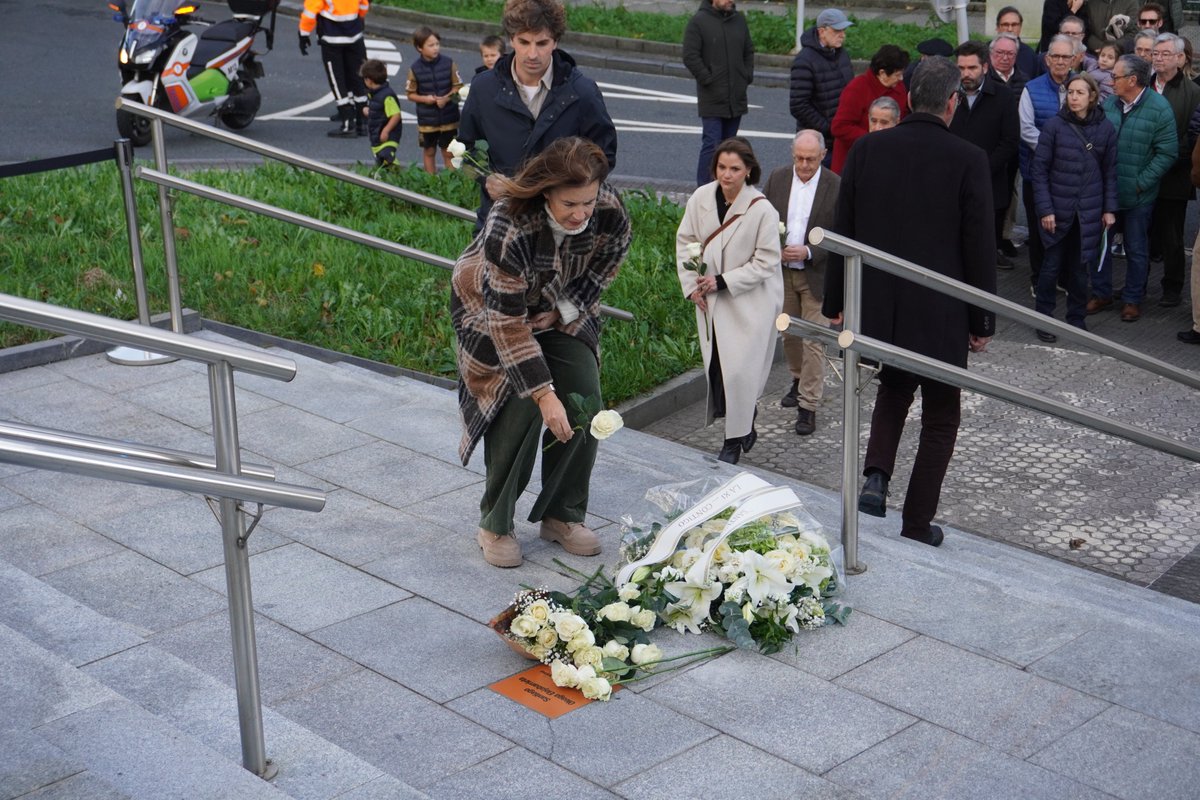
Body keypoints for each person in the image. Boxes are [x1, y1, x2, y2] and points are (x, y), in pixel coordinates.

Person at [822, 56, 997, 547]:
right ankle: (917, 521)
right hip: (943, 309)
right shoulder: (969, 158)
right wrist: (982, 318)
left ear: (908, 99)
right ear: (952, 103)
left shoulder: (868, 150)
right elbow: (978, 243)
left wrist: (837, 301)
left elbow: (844, 232)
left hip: (881, 304)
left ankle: (875, 479)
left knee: (894, 389)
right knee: (942, 412)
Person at [451, 137, 631, 568]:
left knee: (585, 396)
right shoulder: (508, 224)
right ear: (546, 191)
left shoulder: (607, 208)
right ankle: (495, 522)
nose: (581, 213)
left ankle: (561, 514)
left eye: (588, 201)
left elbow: (609, 261)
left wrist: (562, 311)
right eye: (570, 203)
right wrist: (543, 395)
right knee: (518, 402)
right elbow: (509, 325)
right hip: (492, 310)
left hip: (560, 303)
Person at [457, 0, 617, 230]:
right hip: (500, 222)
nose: (532, 54)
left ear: (556, 42)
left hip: (561, 228)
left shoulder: (583, 93)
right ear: (511, 39)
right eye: (524, 42)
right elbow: (464, 149)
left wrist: (567, 189)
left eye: (542, 43)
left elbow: (604, 156)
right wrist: (486, 178)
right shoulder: (483, 88)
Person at [676, 137, 782, 464]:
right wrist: (691, 285)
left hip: (751, 302)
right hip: (711, 299)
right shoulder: (701, 197)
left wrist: (722, 281)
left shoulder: (761, 209)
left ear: (748, 170)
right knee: (720, 368)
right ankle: (744, 421)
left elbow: (766, 261)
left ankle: (733, 441)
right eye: (722, 167)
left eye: (735, 168)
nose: (727, 174)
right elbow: (685, 242)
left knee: (740, 372)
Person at [1030, 73, 1119, 339]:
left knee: (1080, 271)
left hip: (1088, 212)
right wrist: (1045, 209)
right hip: (1057, 211)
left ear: (1092, 96)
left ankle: (1076, 319)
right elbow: (1039, 170)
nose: (1074, 97)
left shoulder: (1105, 128)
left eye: (1080, 93)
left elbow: (1110, 172)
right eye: (1070, 92)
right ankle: (1043, 320)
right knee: (1050, 268)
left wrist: (1109, 209)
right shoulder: (1054, 126)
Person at [763, 130, 840, 436]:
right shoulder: (778, 178)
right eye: (799, 158)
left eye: (810, 159)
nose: (804, 165)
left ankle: (808, 406)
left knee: (814, 341)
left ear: (823, 155)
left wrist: (810, 251)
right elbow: (765, 219)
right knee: (789, 335)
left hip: (816, 275)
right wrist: (774, 247)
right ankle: (797, 379)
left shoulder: (835, 185)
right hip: (782, 273)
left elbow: (840, 235)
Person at [1090, 54, 1177, 320]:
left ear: (1132, 80)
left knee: (1137, 249)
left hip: (1139, 197)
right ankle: (1102, 292)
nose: (1111, 80)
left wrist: (1141, 184)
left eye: (1115, 76)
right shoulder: (1111, 105)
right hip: (1108, 194)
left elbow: (1167, 153)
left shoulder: (1159, 108)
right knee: (1099, 245)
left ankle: (1132, 299)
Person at [950, 40, 1019, 272]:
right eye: (961, 68)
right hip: (952, 180)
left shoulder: (1004, 97)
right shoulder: (947, 95)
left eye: (972, 68)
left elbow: (1010, 142)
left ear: (985, 68)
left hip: (989, 181)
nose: (966, 74)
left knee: (984, 246)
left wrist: (982, 169)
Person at [1020, 35, 1077, 293]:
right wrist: (1055, 148)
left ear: (1074, 59)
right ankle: (1038, 281)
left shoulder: (1082, 86)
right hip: (1038, 173)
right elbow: (1026, 129)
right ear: (1047, 59)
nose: (1061, 61)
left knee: (1066, 229)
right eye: (1056, 56)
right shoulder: (1031, 88)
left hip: (1069, 177)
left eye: (1066, 56)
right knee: (1038, 229)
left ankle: (1063, 279)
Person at [1148, 33, 1200, 308]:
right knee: (1141, 234)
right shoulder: (1144, 86)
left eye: (1165, 53)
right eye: (1156, 53)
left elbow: (1192, 137)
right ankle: (1136, 286)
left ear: (1180, 59)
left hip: (1175, 176)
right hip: (1143, 175)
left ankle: (1172, 287)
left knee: (1172, 235)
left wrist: (1163, 156)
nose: (1158, 58)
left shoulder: (1193, 92)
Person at [683, 0, 755, 187]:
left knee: (731, 147)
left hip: (736, 96)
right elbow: (690, 55)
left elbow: (748, 50)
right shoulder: (699, 21)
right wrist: (708, 79)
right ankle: (704, 189)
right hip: (712, 96)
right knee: (712, 145)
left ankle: (726, 188)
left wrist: (746, 75)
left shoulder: (738, 20)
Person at [829, 44, 909, 173]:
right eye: (897, 74)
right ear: (882, 73)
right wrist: (873, 139)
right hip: (854, 162)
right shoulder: (857, 88)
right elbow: (839, 127)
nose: (901, 79)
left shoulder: (899, 87)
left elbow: (903, 119)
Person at [299, 0, 370, 138]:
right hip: (355, 35)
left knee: (337, 80)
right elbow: (364, 5)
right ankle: (363, 122)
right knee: (358, 78)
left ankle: (348, 123)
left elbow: (310, 11)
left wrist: (303, 33)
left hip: (332, 37)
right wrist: (357, 17)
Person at [789, 8, 854, 157]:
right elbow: (798, 105)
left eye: (844, 30)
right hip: (818, 142)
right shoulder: (804, 60)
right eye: (837, 30)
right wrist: (830, 128)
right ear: (822, 31)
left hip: (840, 137)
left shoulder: (841, 54)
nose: (842, 35)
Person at [990, 32, 1030, 259]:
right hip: (991, 146)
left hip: (1015, 147)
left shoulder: (1024, 80)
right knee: (992, 196)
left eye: (1010, 54)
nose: (1005, 58)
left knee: (1009, 196)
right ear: (991, 54)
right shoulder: (984, 79)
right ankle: (992, 239)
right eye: (1000, 53)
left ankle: (1004, 237)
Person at [405, 27, 463, 174]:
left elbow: (458, 88)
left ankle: (451, 181)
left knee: (449, 152)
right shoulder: (415, 69)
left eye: (437, 44)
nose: (435, 48)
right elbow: (410, 94)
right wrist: (426, 99)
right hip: (427, 121)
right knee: (429, 151)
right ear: (419, 48)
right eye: (431, 45)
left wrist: (447, 98)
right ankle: (431, 181)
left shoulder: (449, 63)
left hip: (449, 118)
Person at [360, 59, 402, 168]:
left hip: (388, 136)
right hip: (377, 135)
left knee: (387, 156)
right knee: (380, 161)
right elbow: (379, 112)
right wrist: (369, 111)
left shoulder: (386, 96)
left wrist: (386, 130)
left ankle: (396, 170)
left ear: (369, 80)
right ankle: (388, 176)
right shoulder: (375, 94)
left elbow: (396, 115)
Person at [996, 7, 1041, 78]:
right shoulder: (986, 51)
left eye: (1014, 25)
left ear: (1020, 27)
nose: (1010, 29)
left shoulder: (1029, 55)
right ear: (998, 27)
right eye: (1005, 25)